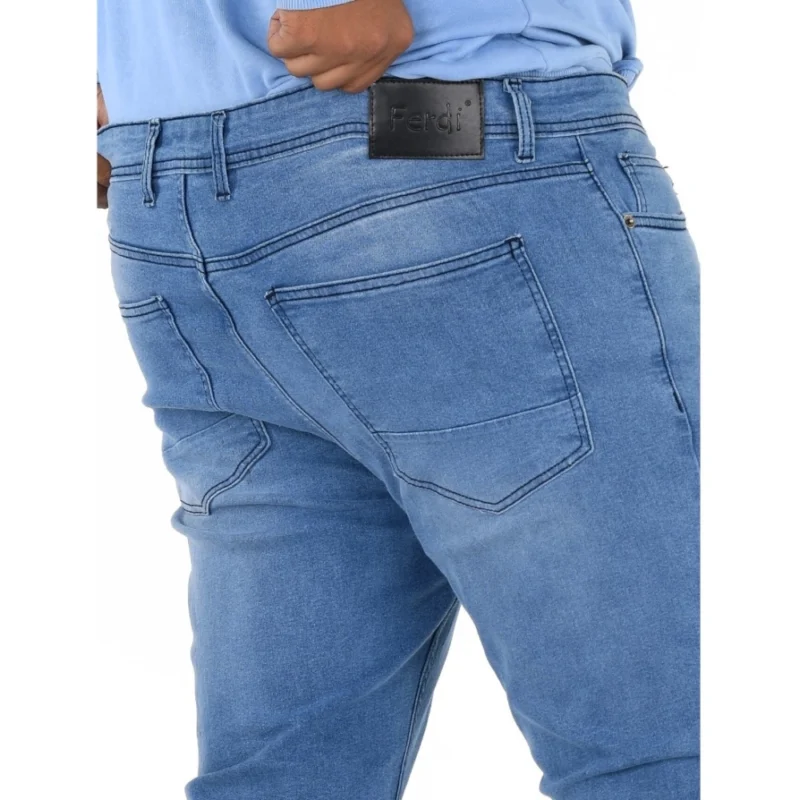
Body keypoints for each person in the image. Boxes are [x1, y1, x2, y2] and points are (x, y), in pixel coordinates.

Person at [96, 2, 699, 798]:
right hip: (436, 151)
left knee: (287, 782)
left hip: (170, 189)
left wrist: (128, 70)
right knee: (662, 750)